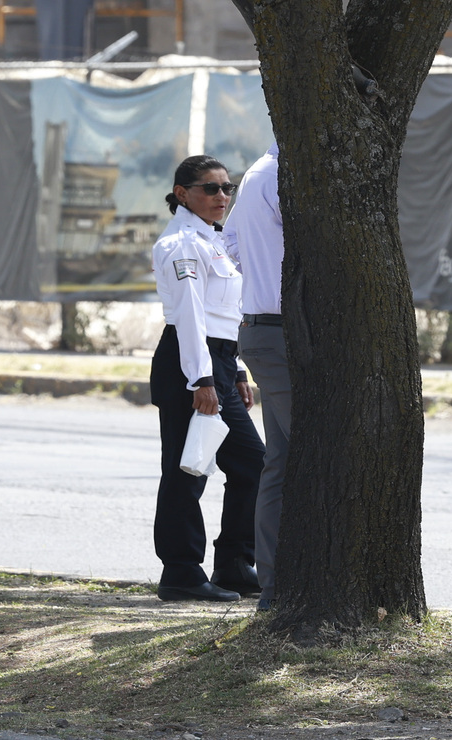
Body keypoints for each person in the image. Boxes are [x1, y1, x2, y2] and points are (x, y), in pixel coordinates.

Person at [150, 154, 265, 602]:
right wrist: (201, 380)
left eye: (227, 188)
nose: (222, 196)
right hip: (188, 363)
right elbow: (191, 317)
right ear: (183, 194)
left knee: (251, 462)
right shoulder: (180, 242)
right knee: (187, 470)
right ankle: (180, 571)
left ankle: (235, 564)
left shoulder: (209, 240)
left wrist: (233, 368)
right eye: (210, 188)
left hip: (216, 362)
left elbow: (221, 314)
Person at [224, 142, 308, 612]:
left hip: (265, 326)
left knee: (282, 461)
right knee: (310, 457)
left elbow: (231, 244)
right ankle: (281, 588)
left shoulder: (262, 170)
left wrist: (261, 280)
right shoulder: (280, 174)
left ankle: (276, 589)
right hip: (276, 331)